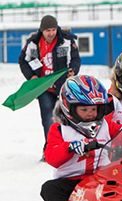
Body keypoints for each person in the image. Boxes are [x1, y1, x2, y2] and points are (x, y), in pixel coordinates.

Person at [40, 75, 122, 201]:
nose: (90, 114)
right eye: (84, 110)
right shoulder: (60, 130)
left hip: (103, 179)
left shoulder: (106, 125)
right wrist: (69, 147)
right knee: (49, 189)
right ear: (69, 107)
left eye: (93, 109)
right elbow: (51, 157)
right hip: (72, 182)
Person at [19, 15, 81, 146]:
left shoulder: (66, 40)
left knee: (67, 116)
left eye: (53, 29)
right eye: (48, 30)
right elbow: (23, 60)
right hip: (43, 87)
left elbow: (75, 59)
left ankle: (69, 146)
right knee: (48, 117)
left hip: (63, 86)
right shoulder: (33, 43)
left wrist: (73, 70)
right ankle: (51, 147)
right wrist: (31, 76)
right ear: (42, 30)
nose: (51, 33)